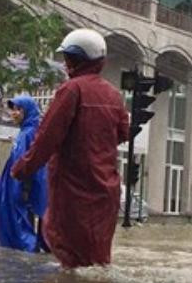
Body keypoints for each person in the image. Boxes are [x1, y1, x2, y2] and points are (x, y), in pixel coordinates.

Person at [11, 29, 130, 268]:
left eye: (67, 59)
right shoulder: (114, 95)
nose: (65, 64)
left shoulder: (71, 90)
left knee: (69, 256)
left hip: (74, 192)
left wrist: (21, 169)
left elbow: (46, 139)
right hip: (106, 192)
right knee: (97, 260)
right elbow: (123, 133)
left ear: (75, 60)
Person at [0, 95, 48, 253]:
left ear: (28, 111)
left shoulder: (29, 133)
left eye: (19, 109)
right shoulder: (26, 132)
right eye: (13, 109)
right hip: (17, 188)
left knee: (20, 226)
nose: (14, 113)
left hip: (21, 189)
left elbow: (28, 163)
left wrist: (24, 189)